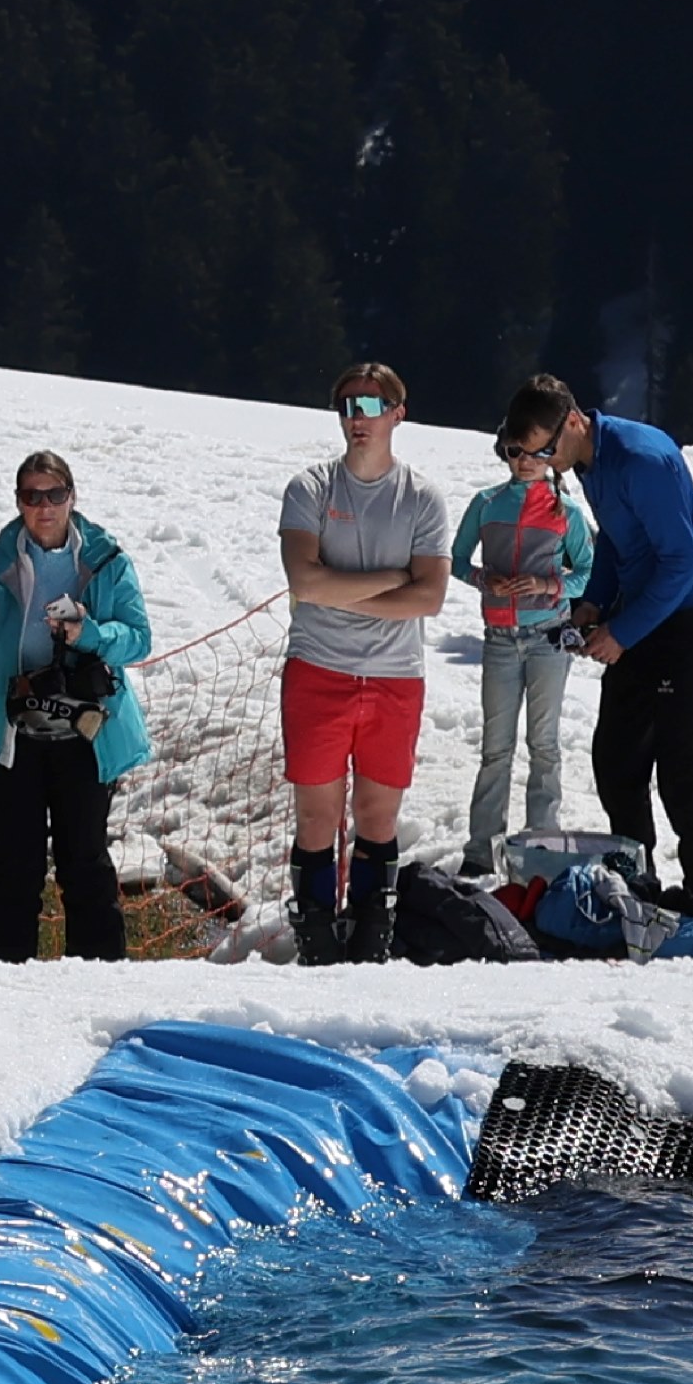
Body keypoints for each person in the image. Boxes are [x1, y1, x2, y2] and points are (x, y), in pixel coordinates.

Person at [525, 376, 693, 924]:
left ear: (574, 420)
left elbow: (685, 561)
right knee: (617, 756)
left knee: (678, 761)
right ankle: (638, 878)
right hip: (642, 608)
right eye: (535, 455)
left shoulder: (641, 459)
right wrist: (592, 605)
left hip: (690, 615)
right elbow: (616, 543)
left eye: (548, 450)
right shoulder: (587, 461)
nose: (548, 464)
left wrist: (623, 634)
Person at [270, 368, 455, 959]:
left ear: (398, 413)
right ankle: (318, 942)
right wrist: (391, 582)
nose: (358, 415)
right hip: (318, 672)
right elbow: (304, 580)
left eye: (372, 404)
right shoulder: (311, 488)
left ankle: (372, 941)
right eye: (347, 404)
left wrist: (338, 589)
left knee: (378, 817)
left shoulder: (422, 498)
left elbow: (430, 598)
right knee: (317, 818)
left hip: (394, 678)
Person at [0, 449, 151, 965]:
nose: (44, 507)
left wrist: (89, 632)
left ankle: (100, 979)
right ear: (18, 502)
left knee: (84, 863)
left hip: (86, 736)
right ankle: (1, 979)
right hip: (14, 736)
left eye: (55, 495)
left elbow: (139, 639)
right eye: (32, 496)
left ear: (72, 497)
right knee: (12, 869)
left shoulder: (107, 560)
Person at [452, 425, 591, 871]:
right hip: (499, 640)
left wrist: (547, 585)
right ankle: (481, 851)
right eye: (515, 451)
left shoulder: (565, 510)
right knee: (496, 747)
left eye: (534, 452)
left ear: (549, 455)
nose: (524, 460)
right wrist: (482, 579)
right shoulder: (486, 504)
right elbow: (454, 560)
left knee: (543, 744)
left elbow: (589, 572)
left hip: (548, 638)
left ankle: (539, 850)